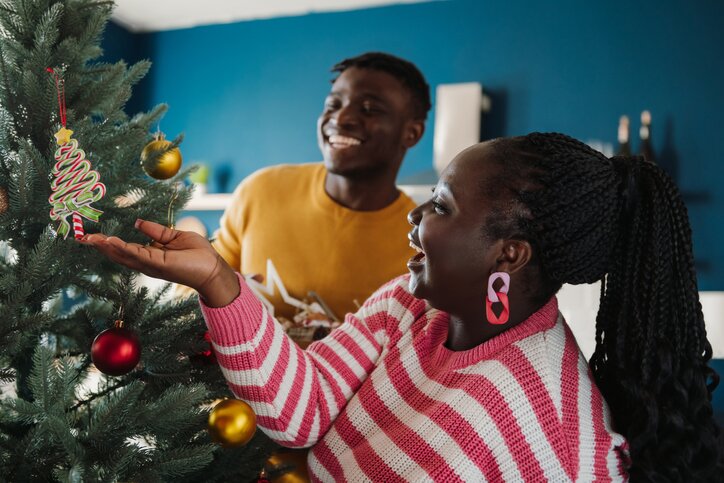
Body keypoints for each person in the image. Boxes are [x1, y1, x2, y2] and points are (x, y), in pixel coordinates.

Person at [82, 132, 721, 481]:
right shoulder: (416, 304)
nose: (413, 218)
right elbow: (302, 409)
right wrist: (218, 279)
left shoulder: (525, 424)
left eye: (440, 206)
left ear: (510, 256)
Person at [204, 52, 430, 320]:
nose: (342, 118)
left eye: (369, 109)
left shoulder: (422, 244)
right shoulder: (260, 191)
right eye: (333, 105)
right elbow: (197, 287)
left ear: (412, 133)